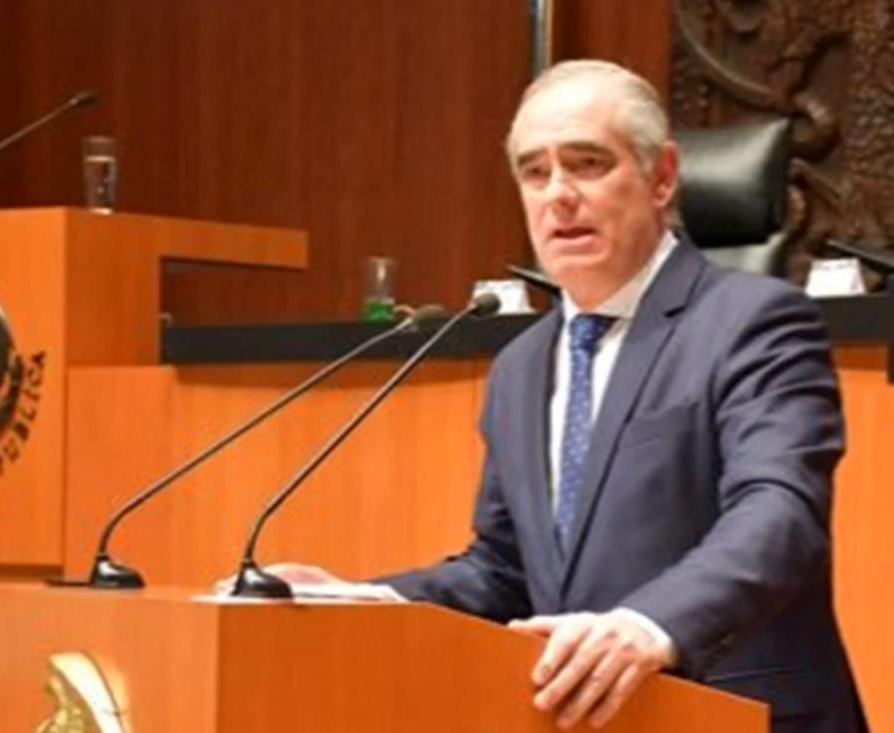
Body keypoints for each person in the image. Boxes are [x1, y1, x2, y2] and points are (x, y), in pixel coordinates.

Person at [260, 59, 866, 732]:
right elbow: (504, 571)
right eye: (535, 172)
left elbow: (779, 514)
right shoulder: (521, 367)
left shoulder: (753, 321)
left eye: (587, 164)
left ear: (662, 177)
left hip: (740, 715)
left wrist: (650, 625)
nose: (558, 195)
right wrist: (368, 599)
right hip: (591, 715)